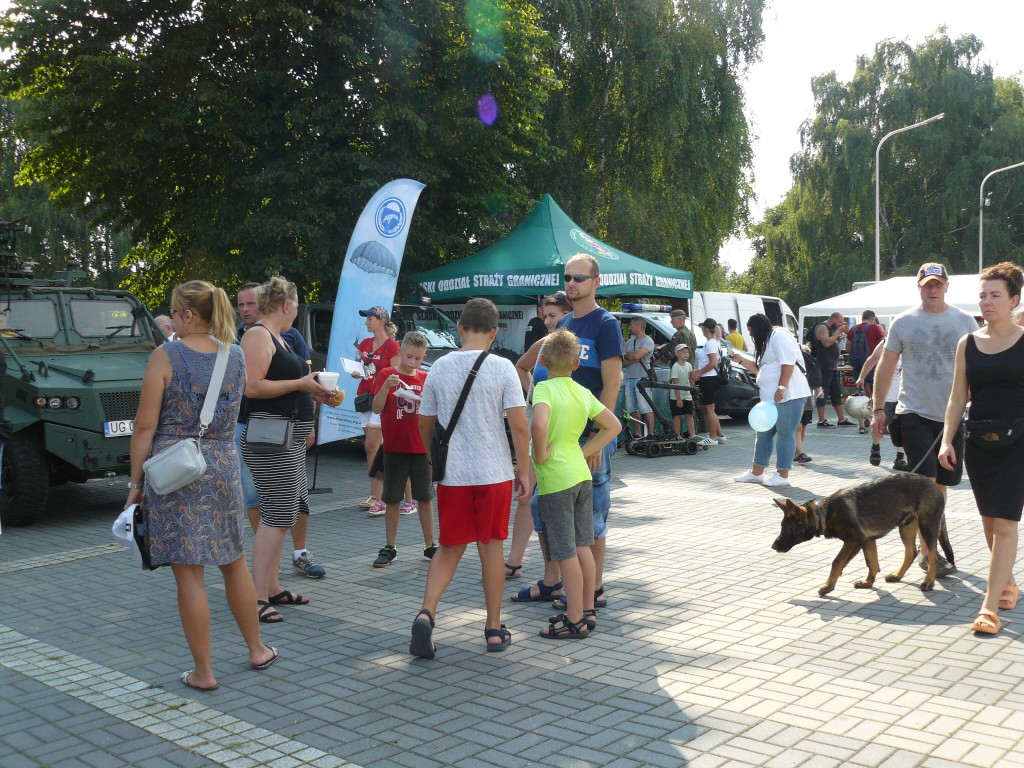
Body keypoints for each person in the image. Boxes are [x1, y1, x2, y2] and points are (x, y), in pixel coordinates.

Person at [125, 280, 278, 690]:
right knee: (232, 562)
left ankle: (204, 673)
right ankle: (257, 649)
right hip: (224, 465)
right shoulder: (236, 356)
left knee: (190, 575)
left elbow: (144, 426)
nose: (173, 319)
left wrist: (135, 482)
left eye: (175, 313)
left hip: (176, 472)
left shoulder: (166, 355)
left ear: (188, 315)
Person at [410, 298, 532, 658]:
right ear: (494, 333)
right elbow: (519, 426)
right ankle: (493, 628)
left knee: (448, 548)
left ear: (459, 328)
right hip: (493, 473)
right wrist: (522, 469)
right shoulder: (503, 368)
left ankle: (426, 612)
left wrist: (433, 458)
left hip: (454, 475)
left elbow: (424, 423)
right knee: (491, 549)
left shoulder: (439, 368)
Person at [872, 262, 978, 577]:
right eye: (926, 284)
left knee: (942, 485)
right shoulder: (903, 322)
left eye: (937, 284)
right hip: (913, 413)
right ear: (919, 286)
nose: (932, 289)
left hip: (952, 417)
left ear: (946, 286)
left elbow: (979, 362)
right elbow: (886, 365)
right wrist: (879, 407)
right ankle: (929, 552)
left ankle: (932, 538)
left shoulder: (965, 321)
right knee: (925, 484)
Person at [240, 276, 333, 623]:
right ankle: (257, 597)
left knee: (286, 512)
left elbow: (281, 384)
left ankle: (273, 586)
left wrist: (311, 390)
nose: (296, 310)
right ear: (286, 306)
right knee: (276, 516)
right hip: (270, 437)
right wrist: (301, 383)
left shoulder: (277, 337)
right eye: (296, 305)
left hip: (287, 436)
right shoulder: (258, 335)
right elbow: (252, 387)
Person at [939, 262, 1024, 635]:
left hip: (1019, 442)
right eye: (982, 296)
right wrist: (946, 440)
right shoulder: (968, 343)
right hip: (980, 442)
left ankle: (989, 608)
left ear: (1014, 300)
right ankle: (1008, 583)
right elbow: (957, 399)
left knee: (1005, 521)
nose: (987, 302)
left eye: (995, 296)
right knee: (990, 522)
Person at [531, 329, 620, 639]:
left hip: (556, 480)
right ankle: (587, 610)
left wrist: (540, 453)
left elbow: (539, 422)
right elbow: (614, 425)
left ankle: (574, 620)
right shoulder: (583, 392)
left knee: (565, 552)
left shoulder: (543, 388)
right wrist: (586, 451)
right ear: (576, 365)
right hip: (581, 476)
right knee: (584, 546)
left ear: (542, 361)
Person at [551, 253, 623, 613]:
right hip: (561, 436)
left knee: (593, 514)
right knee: (561, 511)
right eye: (568, 277)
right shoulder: (563, 322)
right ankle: (569, 586)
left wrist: (597, 437)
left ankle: (593, 590)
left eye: (580, 277)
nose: (572, 283)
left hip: (590, 437)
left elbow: (612, 382)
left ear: (596, 282)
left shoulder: (606, 324)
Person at [506, 291, 574, 584]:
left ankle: (559, 575)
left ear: (567, 316)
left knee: (558, 503)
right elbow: (521, 366)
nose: (547, 322)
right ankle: (514, 561)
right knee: (526, 495)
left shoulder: (576, 348)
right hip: (538, 432)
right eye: (545, 316)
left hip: (566, 436)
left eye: (553, 316)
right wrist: (532, 393)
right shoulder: (544, 343)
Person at [369, 331, 437, 567]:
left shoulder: (426, 378)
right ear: (400, 353)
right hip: (395, 448)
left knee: (425, 498)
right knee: (392, 499)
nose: (412, 363)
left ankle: (430, 545)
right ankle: (390, 546)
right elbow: (376, 409)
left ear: (423, 357)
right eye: (409, 357)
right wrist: (386, 386)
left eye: (418, 359)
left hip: (421, 449)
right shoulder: (387, 374)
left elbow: (434, 412)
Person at [731, 313, 811, 487]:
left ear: (758, 328)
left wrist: (782, 387)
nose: (751, 336)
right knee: (764, 433)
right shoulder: (768, 340)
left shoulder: (779, 336)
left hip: (790, 395)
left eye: (751, 332)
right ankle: (757, 472)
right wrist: (741, 360)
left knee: (785, 433)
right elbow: (761, 369)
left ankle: (783, 475)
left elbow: (788, 363)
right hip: (771, 398)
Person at [351, 307, 401, 513]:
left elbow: (397, 374)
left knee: (372, 446)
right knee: (373, 447)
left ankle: (378, 497)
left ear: (381, 321)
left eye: (370, 319)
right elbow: (362, 367)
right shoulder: (365, 343)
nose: (366, 323)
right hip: (365, 397)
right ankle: (378, 494)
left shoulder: (393, 345)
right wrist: (357, 373)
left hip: (382, 400)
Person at [857, 341, 907, 471]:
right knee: (878, 426)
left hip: (905, 396)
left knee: (903, 428)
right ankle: (875, 446)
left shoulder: (914, 342)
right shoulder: (887, 342)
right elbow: (872, 359)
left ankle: (900, 458)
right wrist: (861, 377)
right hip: (886, 396)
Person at [846, 310, 886, 433]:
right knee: (876, 392)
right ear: (873, 319)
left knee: (861, 392)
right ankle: (876, 421)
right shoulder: (874, 328)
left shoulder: (852, 330)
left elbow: (848, 348)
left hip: (857, 364)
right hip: (873, 365)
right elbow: (886, 344)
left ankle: (862, 426)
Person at [813, 311, 853, 428]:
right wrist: (837, 333)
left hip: (832, 365)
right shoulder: (822, 327)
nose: (841, 324)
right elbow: (826, 343)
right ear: (833, 319)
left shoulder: (831, 329)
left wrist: (838, 337)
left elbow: (831, 342)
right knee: (823, 393)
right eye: (840, 321)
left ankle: (841, 419)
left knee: (836, 392)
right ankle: (821, 420)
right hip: (823, 366)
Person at [693, 317, 725, 445]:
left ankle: (712, 437)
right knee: (710, 408)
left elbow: (713, 362)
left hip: (709, 378)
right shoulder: (714, 342)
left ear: (706, 329)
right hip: (710, 377)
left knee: (709, 409)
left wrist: (700, 372)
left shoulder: (711, 343)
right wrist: (698, 371)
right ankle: (719, 434)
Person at [622, 317, 655, 436]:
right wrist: (632, 357)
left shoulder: (648, 341)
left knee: (646, 407)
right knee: (631, 408)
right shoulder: (630, 342)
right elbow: (624, 361)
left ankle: (650, 434)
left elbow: (638, 355)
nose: (629, 328)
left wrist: (631, 356)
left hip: (642, 378)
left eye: (631, 325)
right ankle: (638, 434)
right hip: (629, 377)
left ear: (638, 326)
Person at [670, 344, 695, 437]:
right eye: (683, 352)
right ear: (677, 354)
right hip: (677, 396)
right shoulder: (675, 367)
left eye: (687, 352)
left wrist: (691, 394)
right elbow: (675, 383)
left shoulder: (689, 365)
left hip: (687, 395)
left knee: (689, 415)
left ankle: (692, 435)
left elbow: (690, 381)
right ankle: (677, 435)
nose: (685, 354)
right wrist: (679, 399)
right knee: (677, 416)